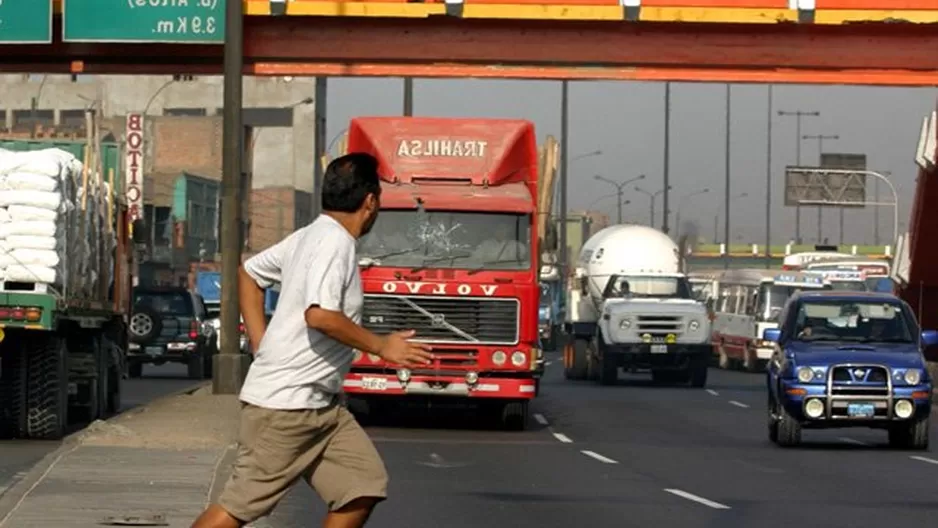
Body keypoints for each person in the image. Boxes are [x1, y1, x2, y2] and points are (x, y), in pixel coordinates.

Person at [191, 152, 434, 528]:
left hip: (322, 410)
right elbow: (320, 315)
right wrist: (382, 345)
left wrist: (262, 344)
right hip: (286, 409)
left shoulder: (310, 235)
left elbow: (248, 274)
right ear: (370, 202)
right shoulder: (333, 243)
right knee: (239, 507)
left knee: (361, 485)